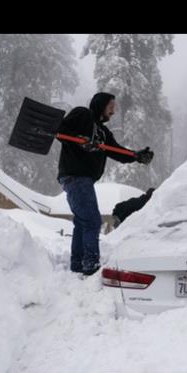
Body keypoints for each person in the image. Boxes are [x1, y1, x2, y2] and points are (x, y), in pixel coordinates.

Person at [57, 92, 154, 275]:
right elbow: (61, 131)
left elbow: (117, 152)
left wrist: (136, 156)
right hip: (75, 176)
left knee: (83, 222)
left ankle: (78, 264)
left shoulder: (103, 132)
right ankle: (90, 264)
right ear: (101, 105)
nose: (113, 111)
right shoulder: (82, 114)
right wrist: (81, 141)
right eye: (111, 107)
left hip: (83, 180)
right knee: (93, 221)